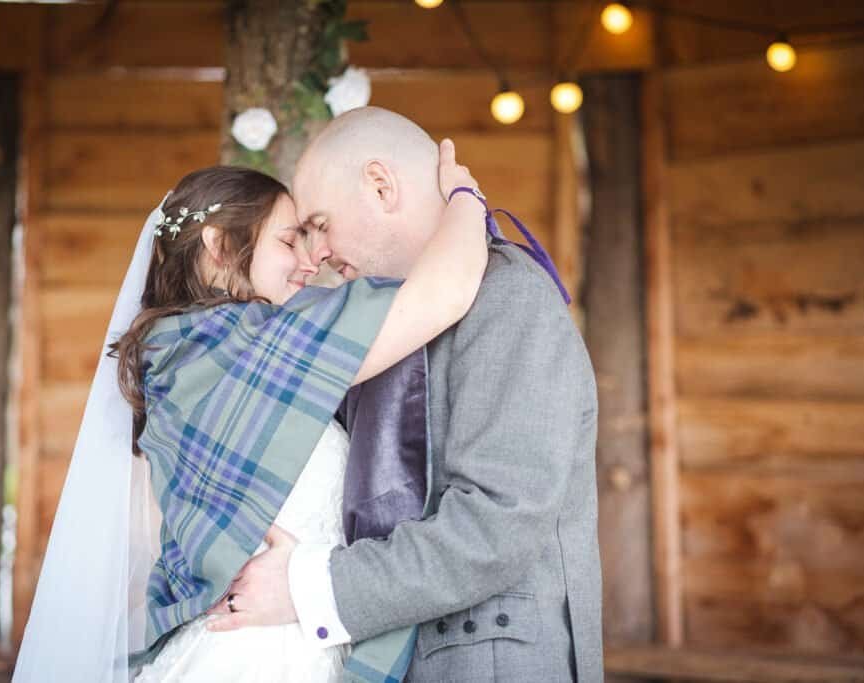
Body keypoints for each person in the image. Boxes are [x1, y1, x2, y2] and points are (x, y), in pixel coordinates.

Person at [11, 141, 487, 682]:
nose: (310, 262)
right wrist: (465, 195)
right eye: (290, 241)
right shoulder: (234, 343)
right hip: (257, 656)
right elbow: (444, 292)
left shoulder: (194, 352)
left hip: (275, 640)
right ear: (219, 245)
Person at [205, 107, 604, 682]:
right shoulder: (377, 323)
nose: (314, 254)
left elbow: (495, 523)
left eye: (320, 223)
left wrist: (304, 587)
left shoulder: (508, 298)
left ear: (380, 184)